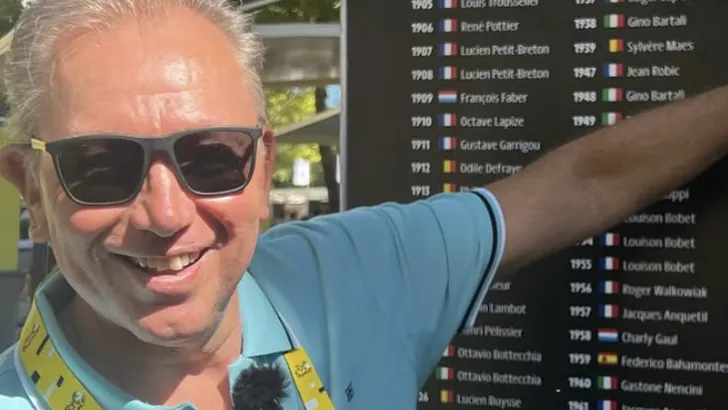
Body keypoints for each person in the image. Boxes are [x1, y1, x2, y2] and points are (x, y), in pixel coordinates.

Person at [0, 1, 726, 409]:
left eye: (212, 158)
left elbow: (580, 185)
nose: (166, 213)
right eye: (100, 167)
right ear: (28, 184)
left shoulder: (354, 271)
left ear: (264, 166)